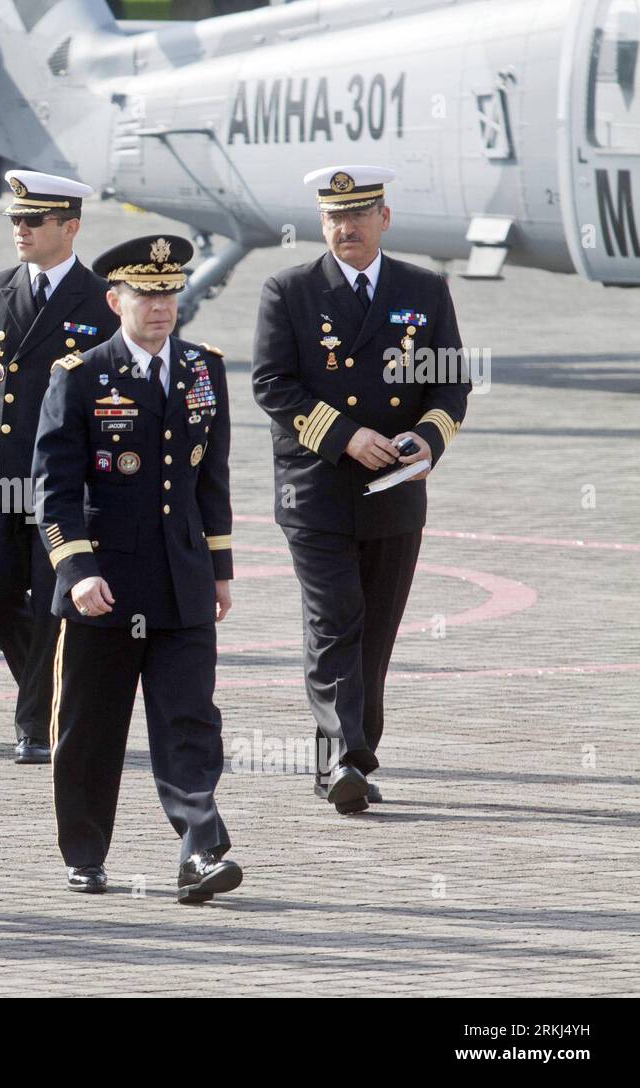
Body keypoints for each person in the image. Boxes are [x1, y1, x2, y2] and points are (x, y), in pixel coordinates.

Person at [251, 165, 470, 814]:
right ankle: (345, 756)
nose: (344, 228)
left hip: (395, 493)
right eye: (333, 218)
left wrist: (426, 441)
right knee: (336, 619)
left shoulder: (424, 290)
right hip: (315, 488)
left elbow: (449, 386)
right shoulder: (288, 290)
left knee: (374, 634)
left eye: (358, 215)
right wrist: (344, 435)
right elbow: (272, 384)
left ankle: (345, 760)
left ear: (385, 218)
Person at [32, 234, 242, 903]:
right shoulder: (81, 375)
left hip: (181, 581)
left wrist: (220, 568)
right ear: (114, 299)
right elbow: (55, 489)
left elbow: (212, 477)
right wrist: (76, 570)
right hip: (106, 587)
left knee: (190, 721)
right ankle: (86, 851)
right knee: (91, 726)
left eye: (170, 292)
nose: (161, 306)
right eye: (147, 294)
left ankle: (199, 850)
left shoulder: (203, 369)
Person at [0, 170, 119, 764]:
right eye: (15, 220)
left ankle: (35, 722)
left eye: (32, 220)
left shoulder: (103, 299)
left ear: (69, 227)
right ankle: (41, 693)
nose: (19, 229)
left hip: (63, 474)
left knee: (54, 591)